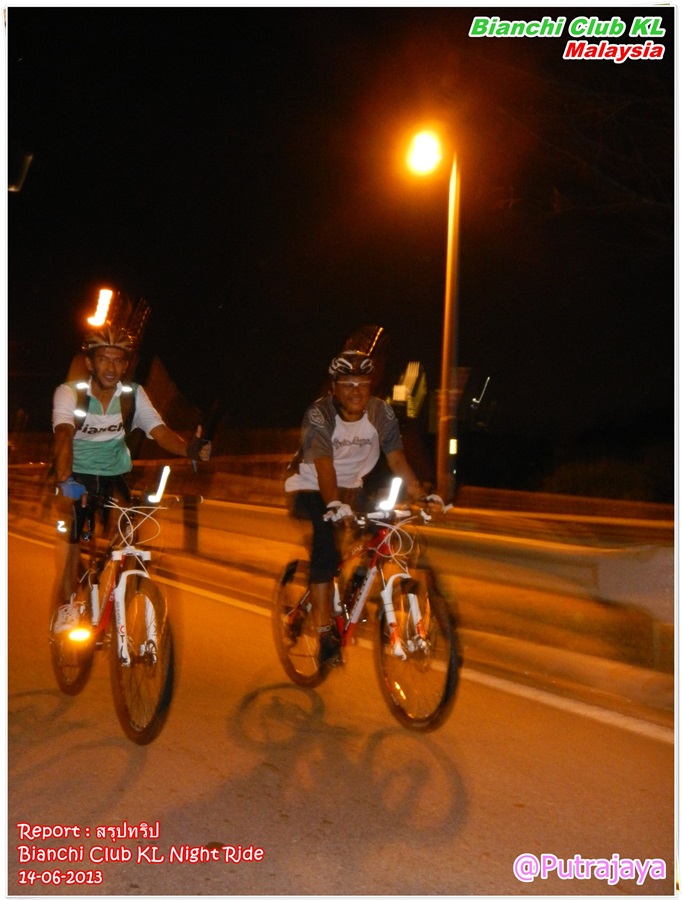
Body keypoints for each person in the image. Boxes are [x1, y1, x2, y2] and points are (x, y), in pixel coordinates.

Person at [285, 349, 441, 667]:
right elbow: (324, 466)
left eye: (362, 384)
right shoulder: (320, 414)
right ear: (334, 388)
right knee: (327, 548)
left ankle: (355, 586)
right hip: (310, 485)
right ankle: (325, 634)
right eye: (348, 384)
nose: (356, 391)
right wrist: (333, 504)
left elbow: (396, 458)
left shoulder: (381, 413)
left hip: (351, 487)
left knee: (385, 532)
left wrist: (418, 492)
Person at [51, 325, 211, 629]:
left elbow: (159, 431)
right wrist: (64, 479)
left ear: (126, 365)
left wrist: (188, 448)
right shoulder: (69, 393)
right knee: (72, 536)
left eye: (118, 360)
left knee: (129, 536)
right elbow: (63, 435)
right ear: (90, 363)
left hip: (116, 476)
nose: (111, 368)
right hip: (76, 476)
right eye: (103, 359)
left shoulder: (133, 396)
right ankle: (68, 604)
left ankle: (122, 594)